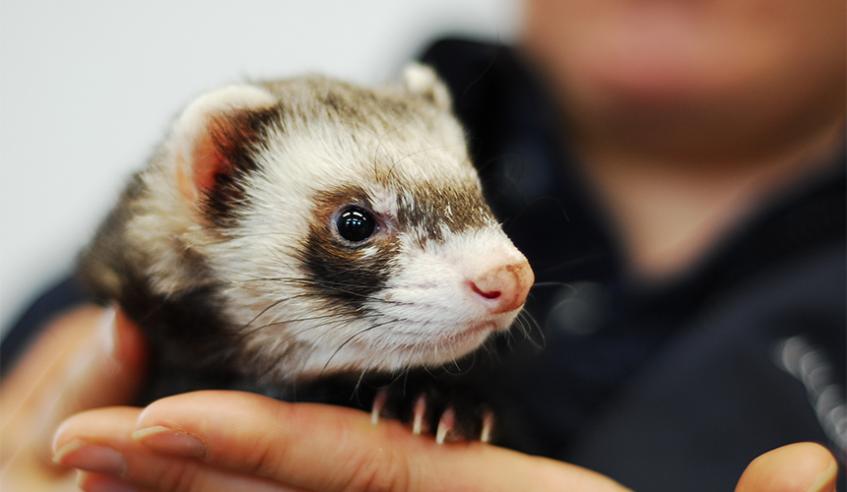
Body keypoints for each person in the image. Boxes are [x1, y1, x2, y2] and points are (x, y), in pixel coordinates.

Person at [2, 0, 844, 490]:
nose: (504, 271)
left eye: (478, 210)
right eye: (356, 227)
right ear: (215, 184)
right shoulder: (71, 329)